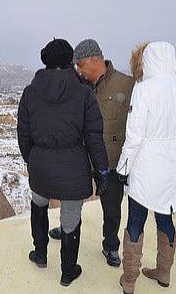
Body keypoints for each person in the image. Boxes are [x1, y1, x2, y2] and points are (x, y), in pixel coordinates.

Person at [17, 38, 110, 287]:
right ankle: (68, 271)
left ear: (45, 61)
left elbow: (23, 135)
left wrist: (32, 160)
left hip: (41, 167)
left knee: (39, 206)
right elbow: (94, 137)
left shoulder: (30, 92)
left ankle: (40, 254)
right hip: (73, 168)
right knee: (70, 219)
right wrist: (101, 170)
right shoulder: (83, 94)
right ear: (70, 62)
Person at [116, 41, 176, 294]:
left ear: (147, 61)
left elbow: (135, 136)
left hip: (145, 168)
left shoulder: (143, 90)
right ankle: (164, 272)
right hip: (173, 169)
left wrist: (123, 167)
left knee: (135, 222)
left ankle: (129, 280)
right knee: (166, 217)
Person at [49, 39, 135, 268]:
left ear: (95, 60)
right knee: (70, 197)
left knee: (112, 207)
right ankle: (67, 229)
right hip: (80, 157)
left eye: (80, 65)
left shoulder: (126, 85)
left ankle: (110, 245)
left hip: (112, 159)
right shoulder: (78, 85)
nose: (78, 70)